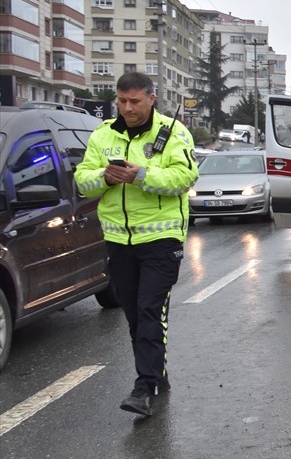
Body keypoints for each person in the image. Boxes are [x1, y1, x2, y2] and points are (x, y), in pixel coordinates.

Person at [74, 71, 198, 417]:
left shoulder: (173, 133)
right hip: (118, 240)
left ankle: (144, 387)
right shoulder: (102, 136)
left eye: (134, 101)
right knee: (133, 313)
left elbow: (185, 177)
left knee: (149, 308)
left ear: (151, 98)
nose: (127, 108)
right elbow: (82, 180)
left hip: (161, 238)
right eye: (122, 101)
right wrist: (104, 177)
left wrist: (140, 175)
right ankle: (156, 369)